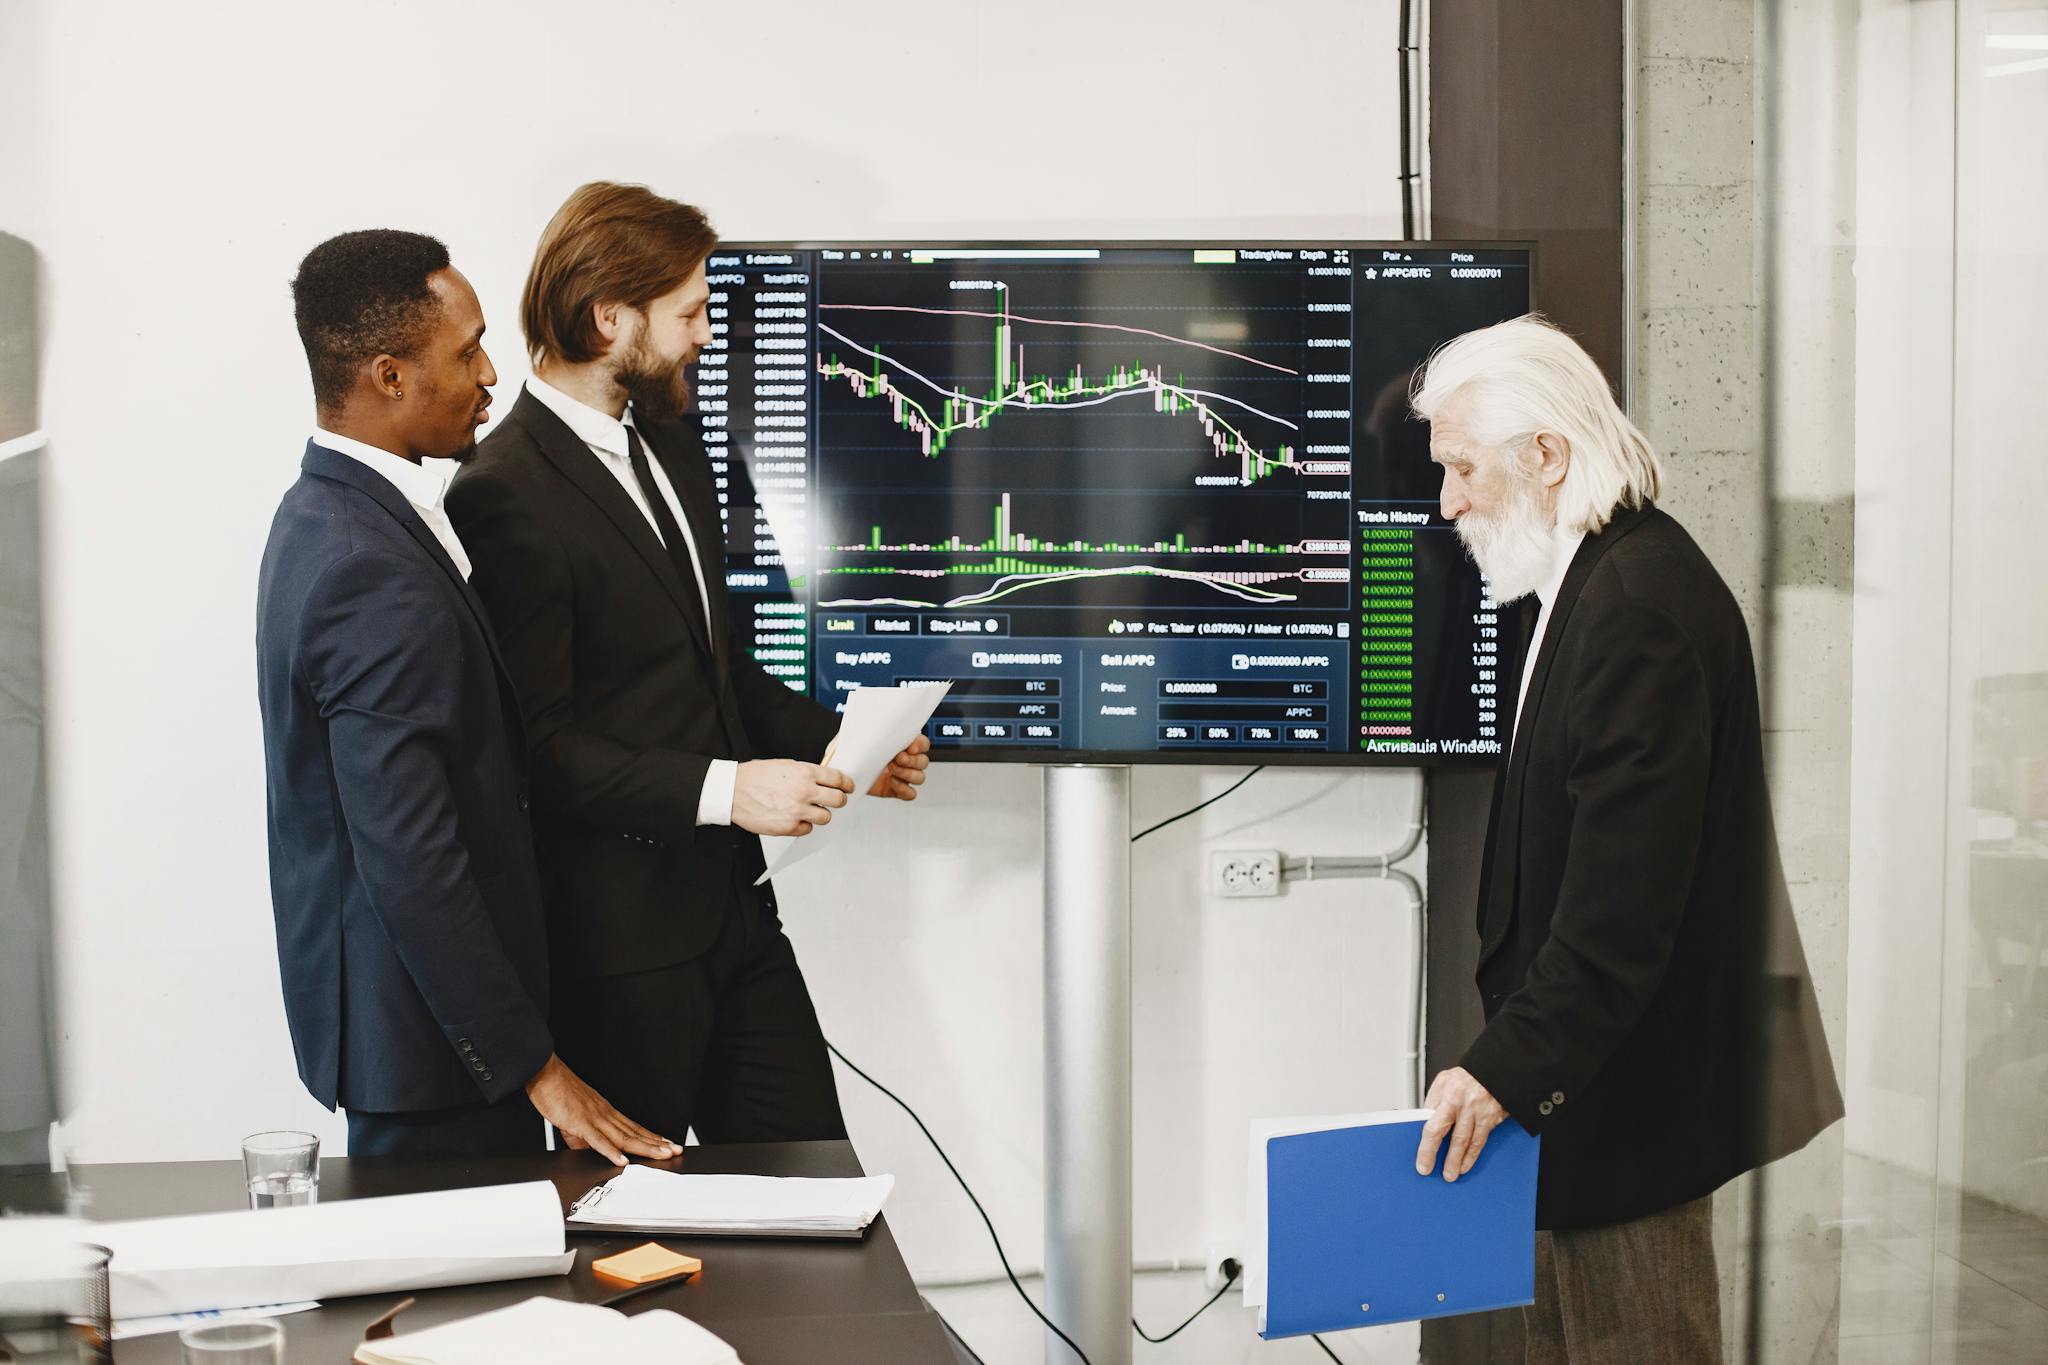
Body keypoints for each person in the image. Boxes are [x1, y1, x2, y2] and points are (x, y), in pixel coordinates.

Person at [447, 184, 929, 1144]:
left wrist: (845, 744)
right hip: (617, 955)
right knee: (646, 1248)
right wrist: (728, 789)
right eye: (692, 313)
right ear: (609, 318)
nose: (707, 335)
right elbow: (538, 750)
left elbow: (715, 666)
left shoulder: (669, 436)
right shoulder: (502, 493)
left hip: (737, 919)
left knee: (817, 1201)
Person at [1406, 315, 1842, 1362]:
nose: (1446, 500)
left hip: (1627, 1115)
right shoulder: (1594, 581)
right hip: (1581, 1104)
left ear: (1544, 455)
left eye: (1462, 467)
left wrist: (1500, 1068)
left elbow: (1620, 909)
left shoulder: (1637, 607)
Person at [256, 229, 681, 1162]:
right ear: (389, 376)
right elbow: (410, 850)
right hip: (434, 1055)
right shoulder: (366, 567)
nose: (492, 373)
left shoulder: (326, 514)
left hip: (429, 1040)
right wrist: (536, 1067)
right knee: (450, 1310)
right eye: (467, 350)